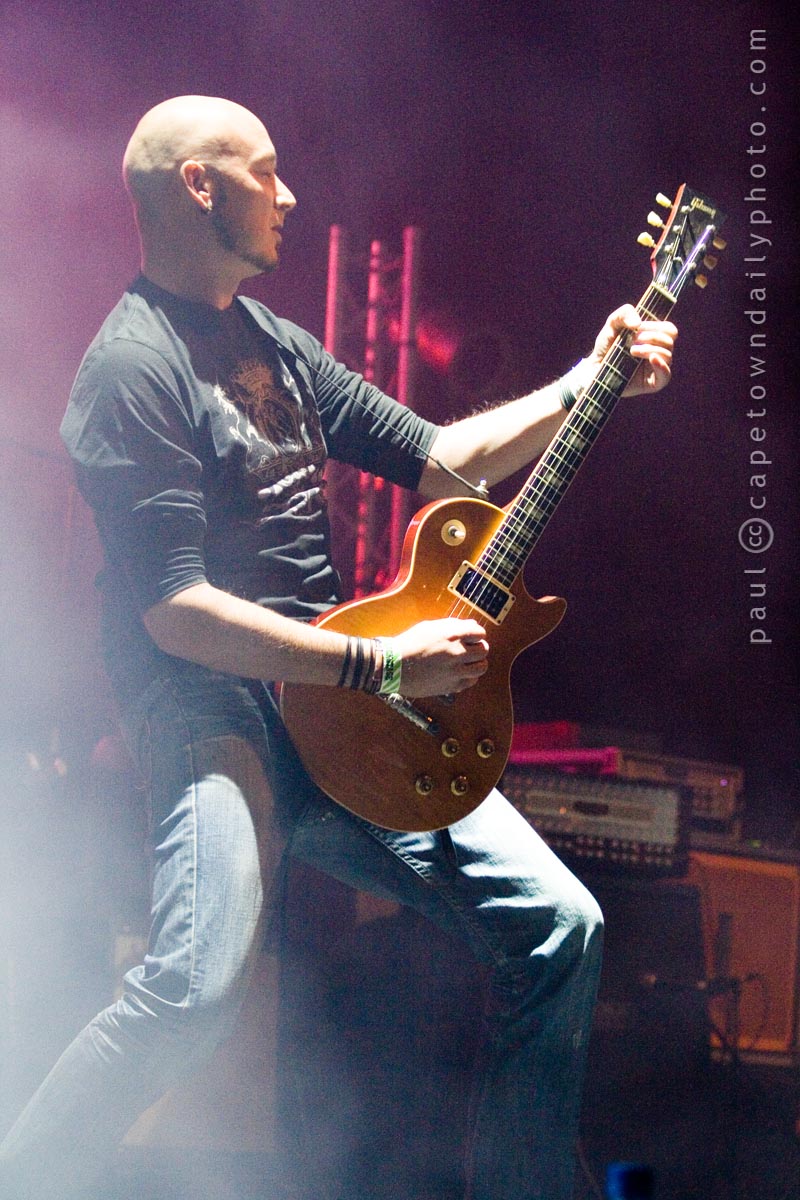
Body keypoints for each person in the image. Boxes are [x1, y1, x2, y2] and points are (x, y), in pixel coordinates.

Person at [0, 96, 677, 1200]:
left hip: (330, 693)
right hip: (210, 706)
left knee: (559, 926)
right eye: (265, 172)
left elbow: (445, 457)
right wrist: (383, 666)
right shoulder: (129, 372)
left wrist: (584, 380)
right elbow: (175, 613)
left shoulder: (277, 345)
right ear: (198, 186)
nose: (290, 194)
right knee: (194, 988)